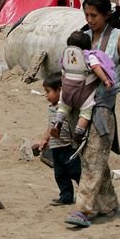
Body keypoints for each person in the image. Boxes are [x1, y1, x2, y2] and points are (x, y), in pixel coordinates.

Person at [65, 0, 120, 228]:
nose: (90, 20)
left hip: (102, 108)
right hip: (80, 108)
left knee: (92, 158)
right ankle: (109, 204)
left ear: (106, 15)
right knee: (92, 157)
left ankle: (83, 209)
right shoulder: (83, 37)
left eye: (94, 16)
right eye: (87, 15)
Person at [51, 31, 116, 145]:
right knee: (86, 112)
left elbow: (63, 74)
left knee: (64, 106)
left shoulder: (65, 58)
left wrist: (64, 87)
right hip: (83, 94)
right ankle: (78, 135)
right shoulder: (89, 55)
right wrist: (105, 79)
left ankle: (57, 123)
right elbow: (96, 67)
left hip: (67, 91)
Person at [39, 72, 81, 206]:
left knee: (75, 171)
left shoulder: (66, 108)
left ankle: (85, 193)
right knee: (60, 173)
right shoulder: (51, 108)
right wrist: (45, 140)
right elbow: (50, 127)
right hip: (56, 147)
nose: (46, 95)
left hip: (68, 146)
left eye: (48, 91)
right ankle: (66, 196)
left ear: (60, 91)